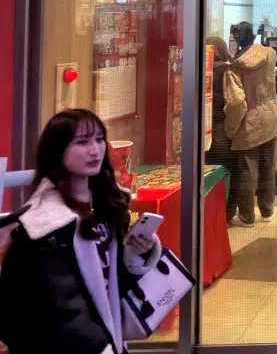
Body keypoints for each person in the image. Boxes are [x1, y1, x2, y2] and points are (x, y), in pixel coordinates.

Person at [0, 109, 162, 354]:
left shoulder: (107, 205)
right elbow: (60, 309)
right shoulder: (44, 226)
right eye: (82, 142)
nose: (95, 150)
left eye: (99, 139)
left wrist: (133, 255)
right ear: (57, 151)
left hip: (107, 338)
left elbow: (109, 282)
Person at [225, 22, 277, 228]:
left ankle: (247, 216)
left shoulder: (233, 69)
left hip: (249, 122)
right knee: (268, 166)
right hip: (271, 117)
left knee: (247, 170)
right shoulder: (269, 54)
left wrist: (230, 129)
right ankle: (267, 210)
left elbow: (235, 103)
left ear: (235, 40)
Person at [204, 36, 236, 221]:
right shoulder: (228, 72)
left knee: (209, 173)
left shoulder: (199, 70)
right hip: (224, 129)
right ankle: (227, 213)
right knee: (227, 172)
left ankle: (209, 214)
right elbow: (235, 101)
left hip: (205, 133)